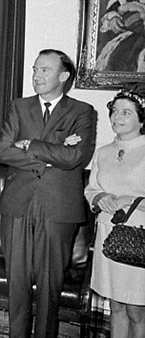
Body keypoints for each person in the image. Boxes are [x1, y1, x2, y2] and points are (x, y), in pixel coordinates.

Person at [0, 49, 96, 338]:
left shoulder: (82, 111)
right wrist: (56, 150)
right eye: (35, 70)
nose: (36, 76)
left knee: (50, 285)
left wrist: (32, 145)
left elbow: (76, 156)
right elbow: (4, 150)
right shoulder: (19, 106)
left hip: (58, 207)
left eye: (44, 71)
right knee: (16, 283)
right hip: (18, 204)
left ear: (63, 76)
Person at [84, 88, 145, 338]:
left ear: (142, 119)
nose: (117, 117)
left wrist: (131, 200)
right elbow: (91, 189)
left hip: (139, 238)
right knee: (116, 306)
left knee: (136, 310)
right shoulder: (104, 152)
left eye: (126, 112)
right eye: (114, 111)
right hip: (108, 237)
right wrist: (99, 197)